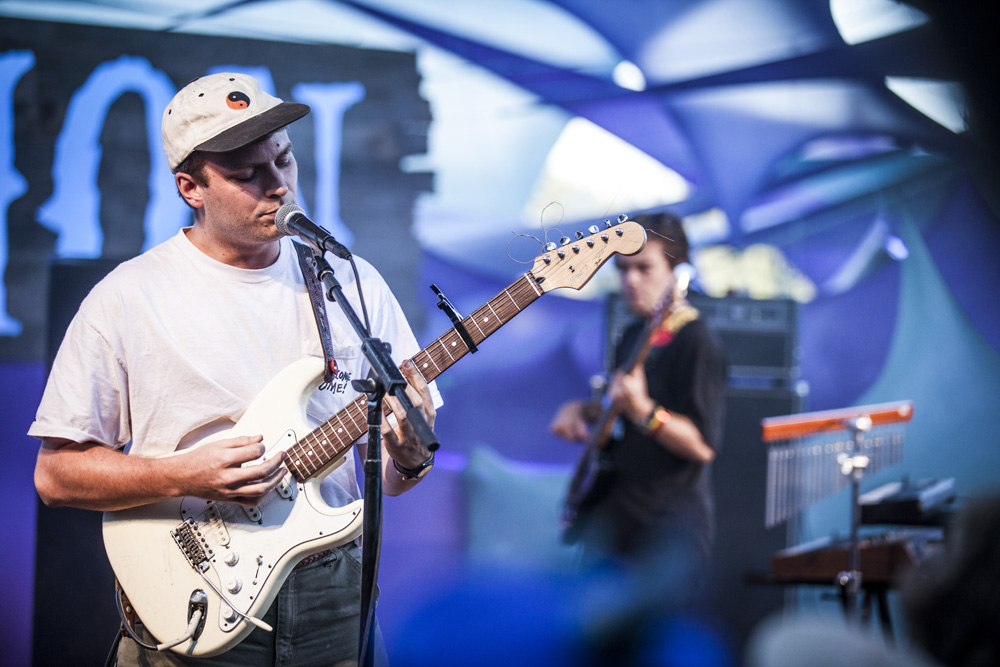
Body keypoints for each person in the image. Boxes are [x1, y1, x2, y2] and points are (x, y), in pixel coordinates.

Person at [30, 72, 440, 666]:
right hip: (196, 589)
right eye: (248, 174)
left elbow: (397, 479)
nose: (278, 187)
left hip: (336, 597)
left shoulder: (348, 282)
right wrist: (183, 475)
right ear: (190, 187)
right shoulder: (126, 298)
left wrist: (408, 455)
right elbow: (56, 476)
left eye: (285, 160)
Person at [550, 212, 727, 596]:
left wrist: (647, 412)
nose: (631, 280)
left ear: (679, 272)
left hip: (666, 532)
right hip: (616, 521)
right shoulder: (633, 332)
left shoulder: (696, 341)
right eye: (623, 269)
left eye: (644, 268)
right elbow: (618, 412)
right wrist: (581, 411)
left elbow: (702, 445)